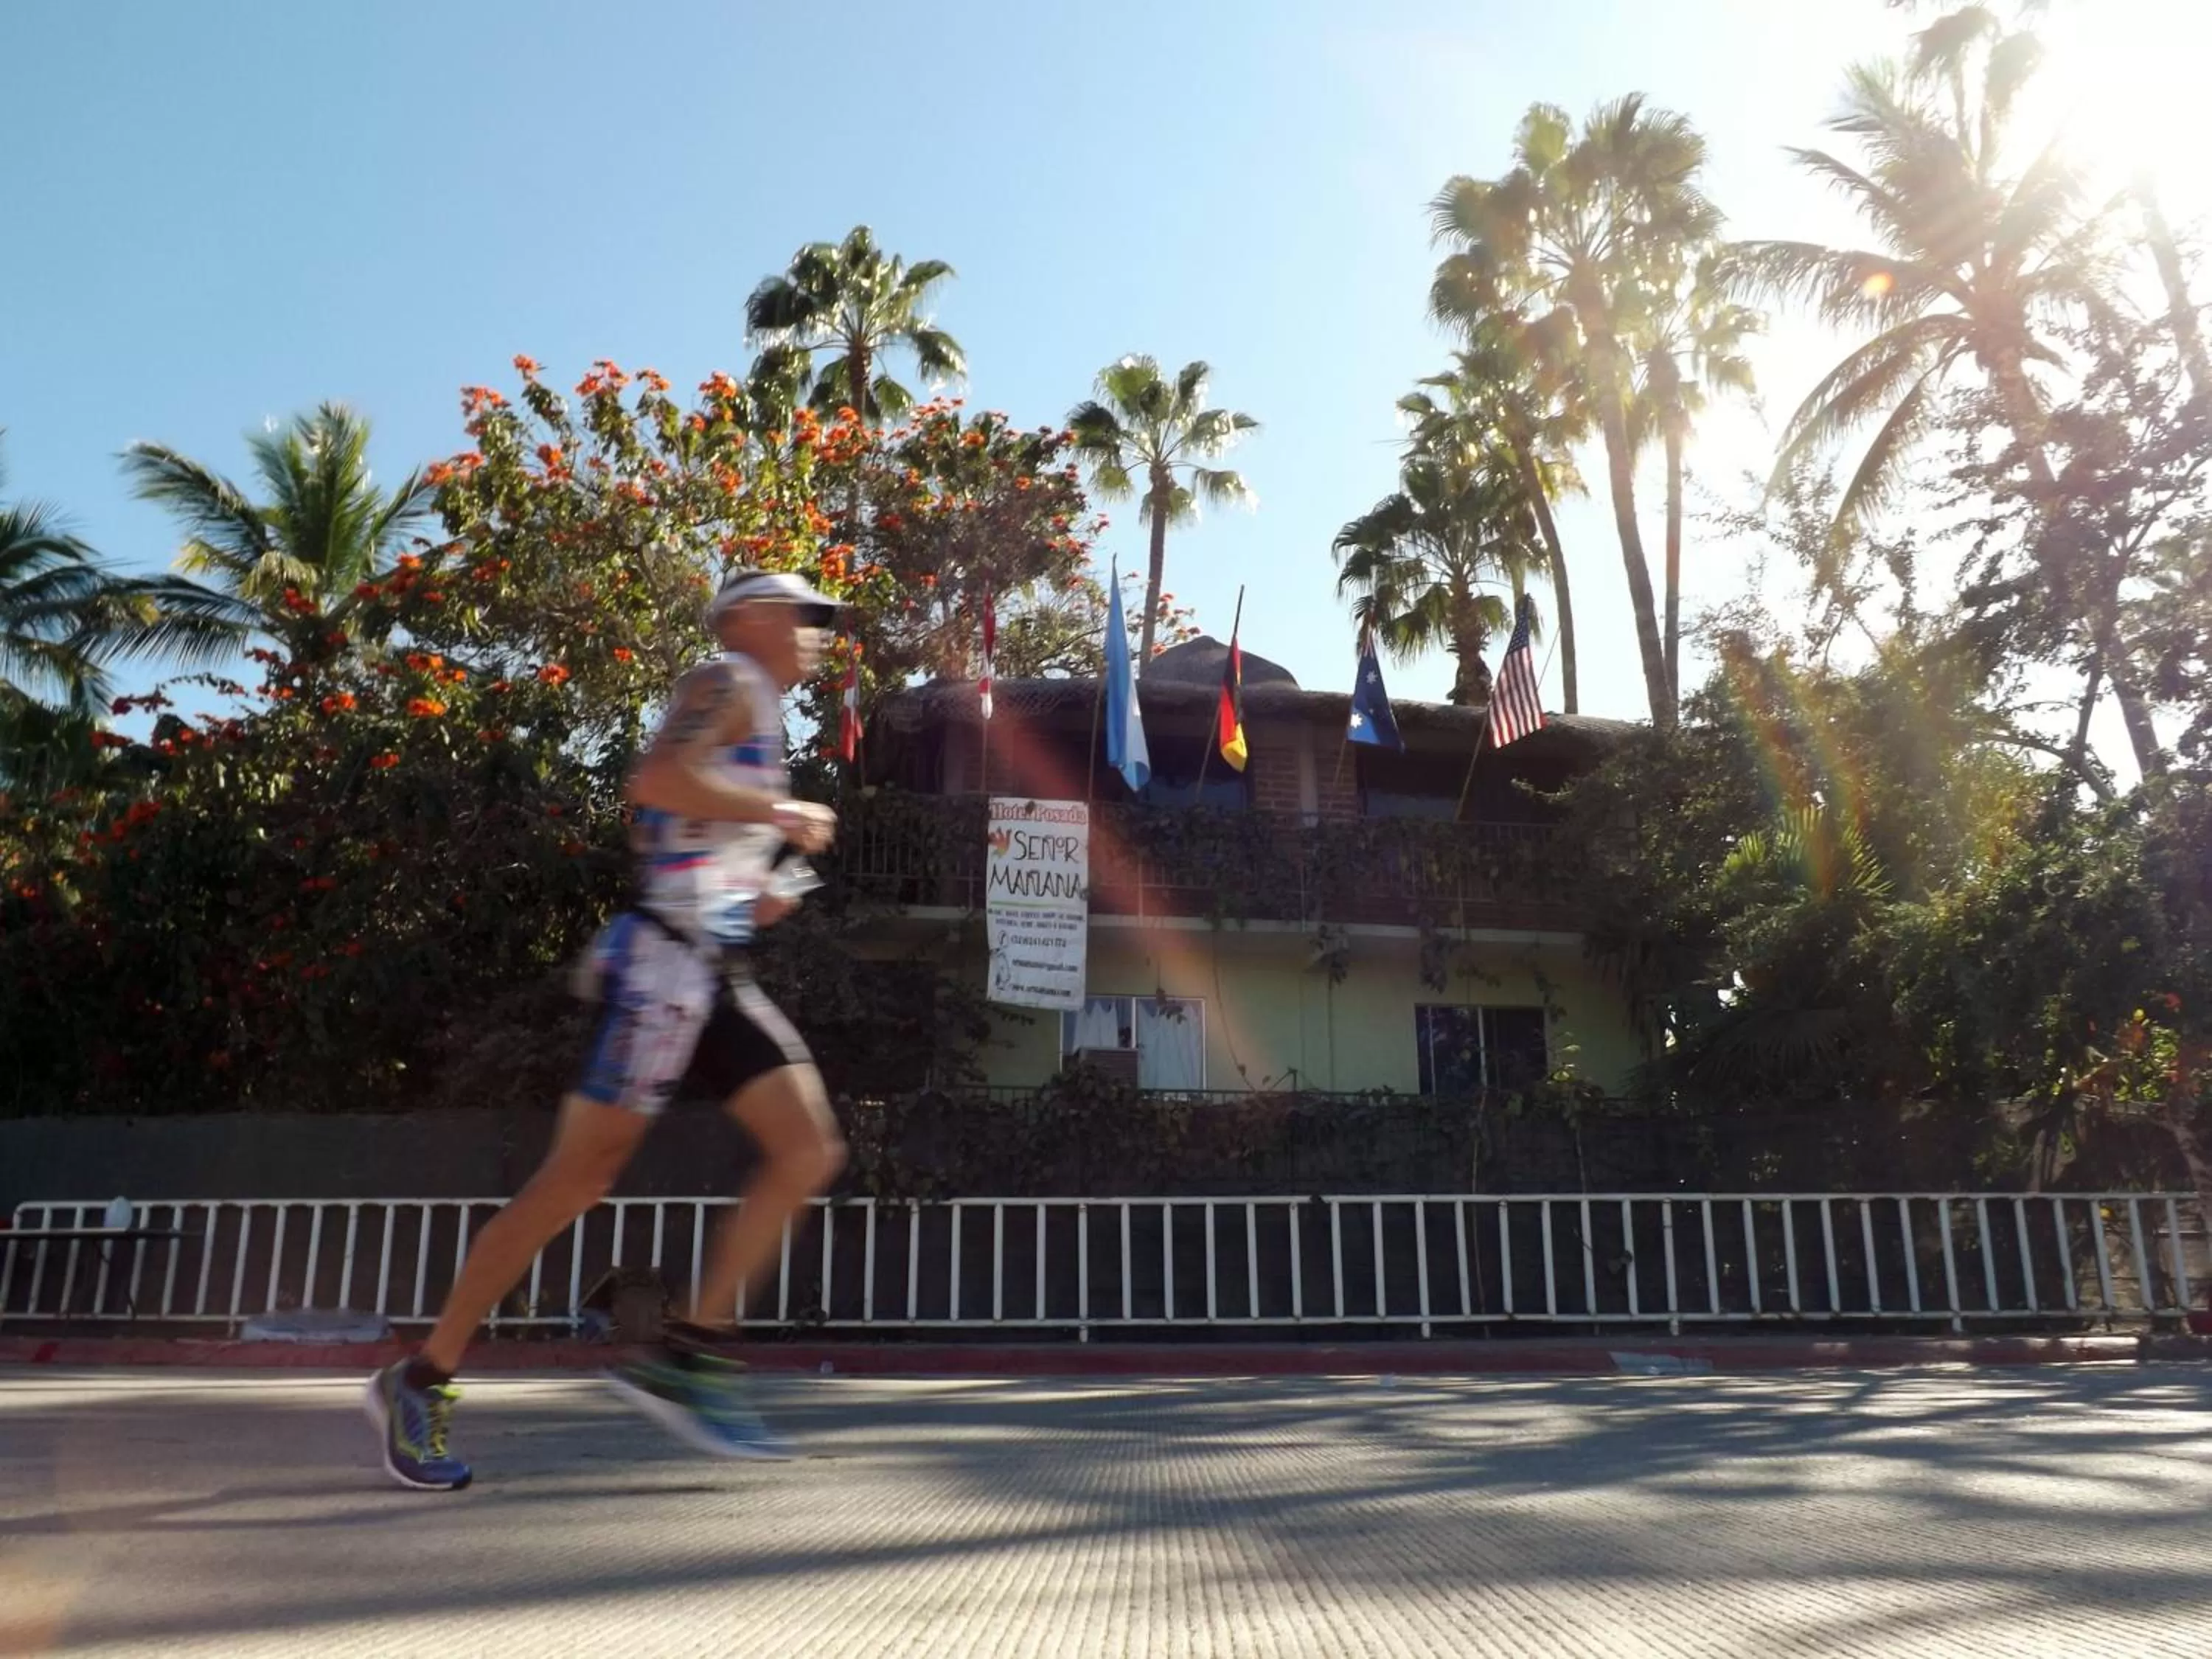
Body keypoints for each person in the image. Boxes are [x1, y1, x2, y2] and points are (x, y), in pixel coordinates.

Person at [364, 569, 848, 1490]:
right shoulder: (727, 678)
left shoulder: (759, 713)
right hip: (665, 972)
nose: (819, 630)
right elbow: (659, 777)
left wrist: (761, 891)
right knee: (574, 1183)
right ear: (748, 616)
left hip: (707, 967)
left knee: (807, 1150)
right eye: (806, 612)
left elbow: (679, 843)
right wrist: (779, 814)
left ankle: (690, 1355)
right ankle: (421, 1379)